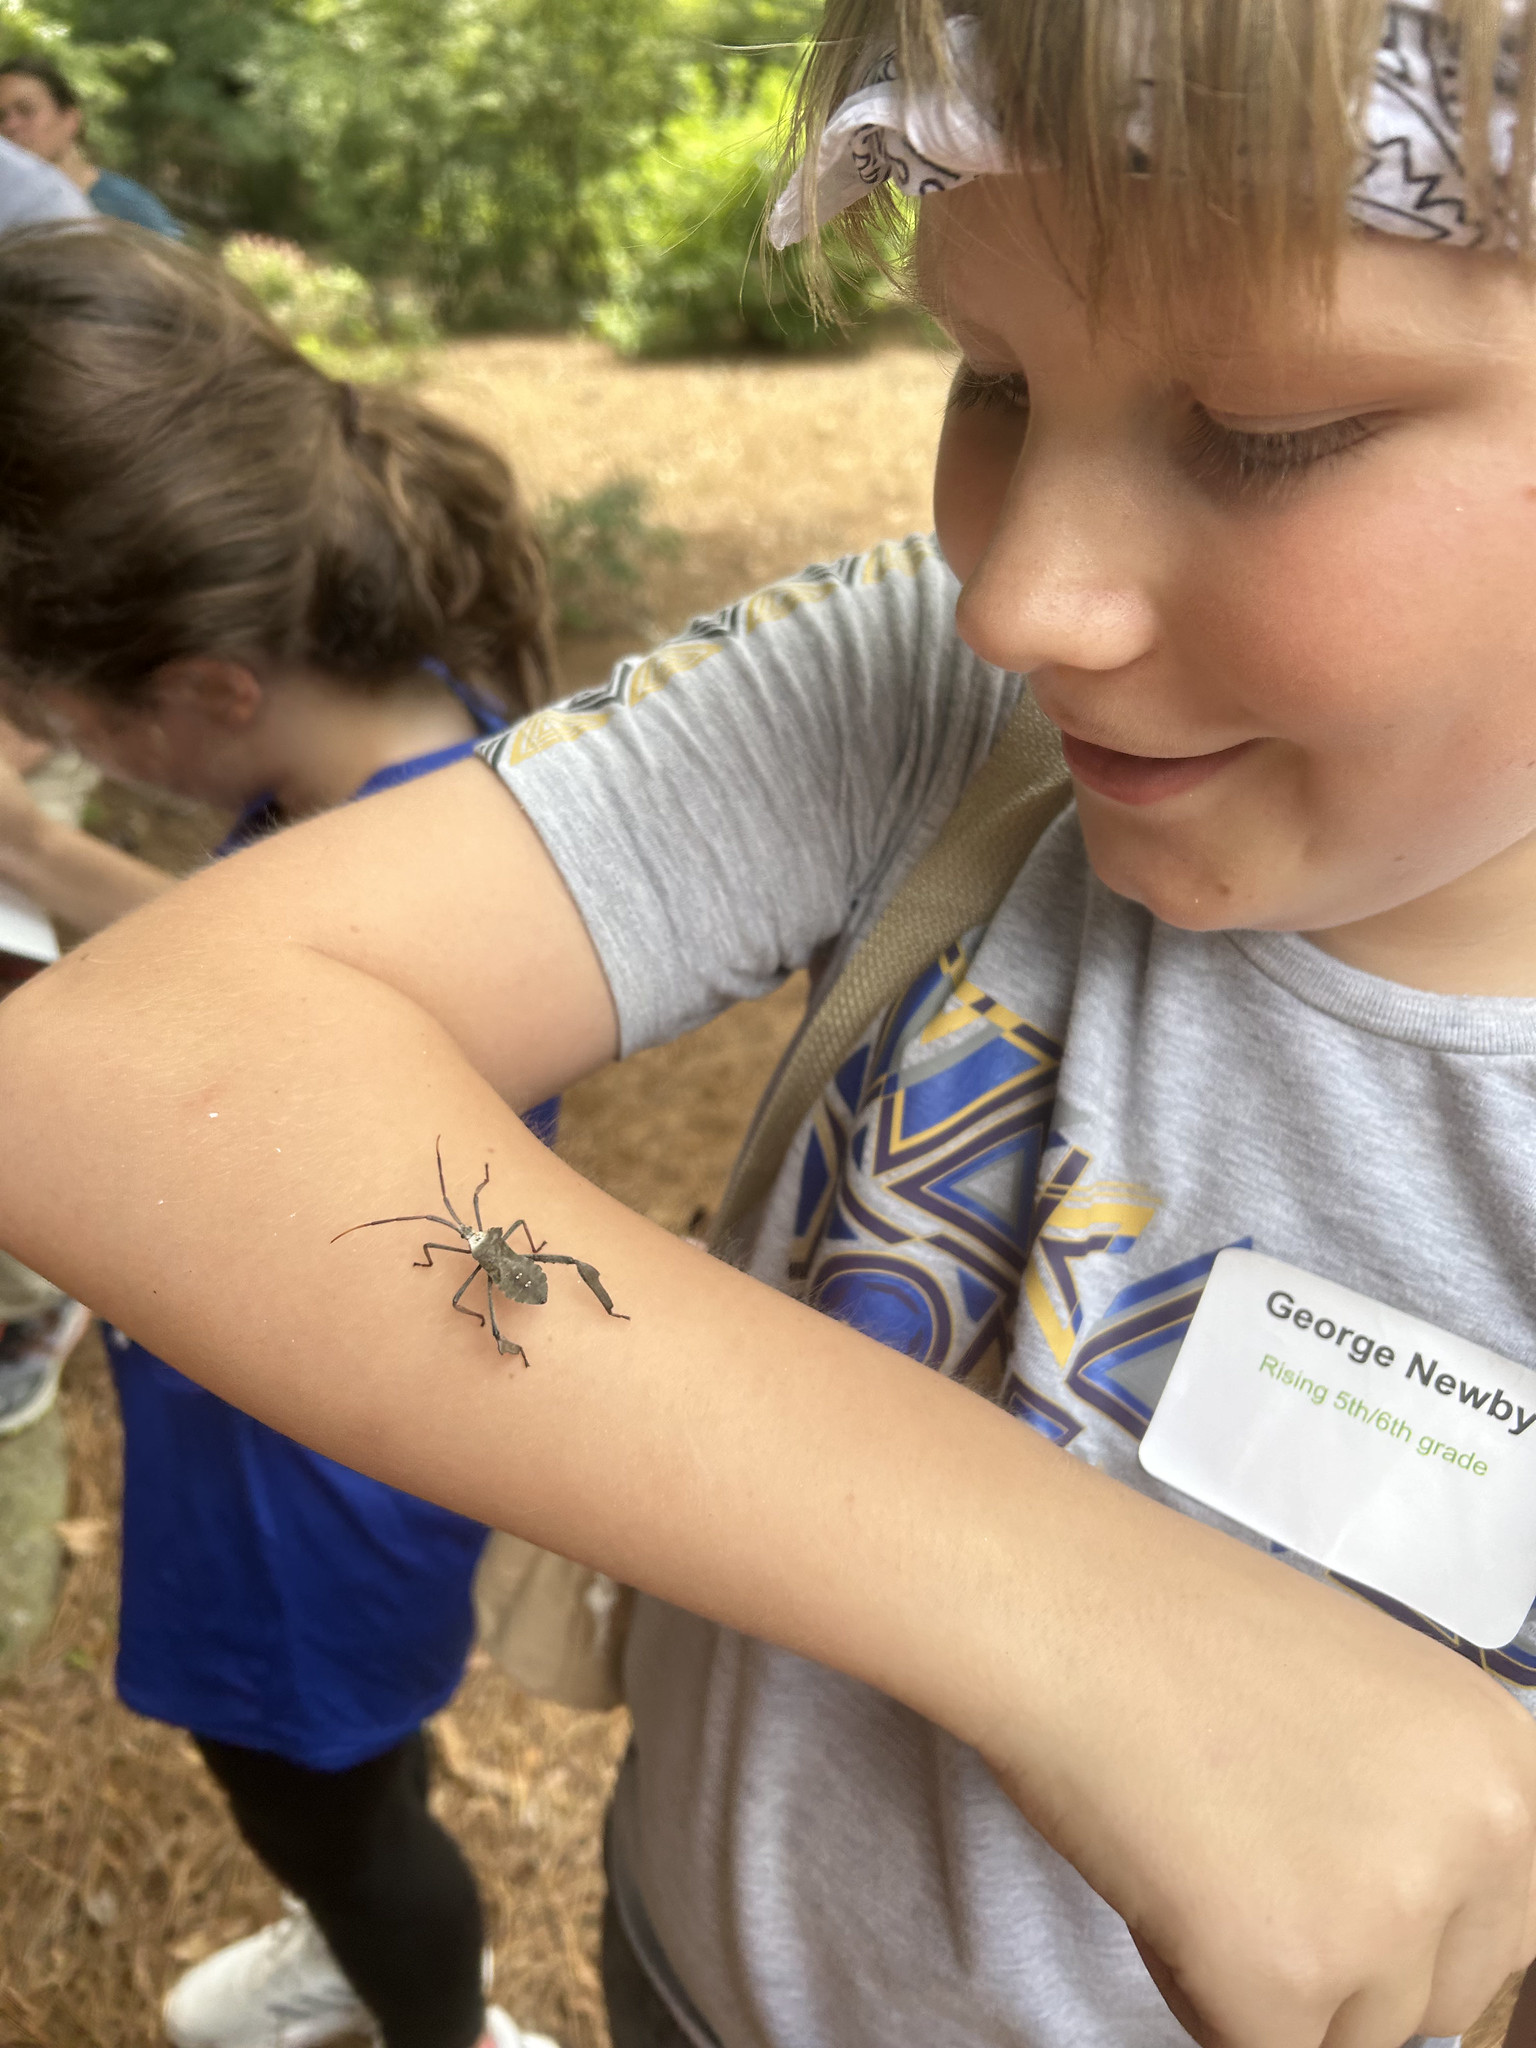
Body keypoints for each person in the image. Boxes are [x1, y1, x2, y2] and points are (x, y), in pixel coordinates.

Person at [2, 4, 1536, 2048]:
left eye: (1269, 426)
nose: (1020, 600)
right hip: (689, 1963)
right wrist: (1071, 1605)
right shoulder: (930, 690)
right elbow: (112, 1074)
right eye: (987, 376)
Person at [0, 223, 558, 2048]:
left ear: (211, 690)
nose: (53, 750)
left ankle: (431, 2013)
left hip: (307, 1472)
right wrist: (30, 848)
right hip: (318, 1421)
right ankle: (373, 1934)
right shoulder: (413, 767)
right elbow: (212, 943)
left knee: (309, 1779)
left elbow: (155, 1069)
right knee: (349, 1771)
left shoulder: (394, 895)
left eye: (57, 721)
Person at [0, 58, 183, 237]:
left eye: (26, 111)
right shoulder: (8, 204)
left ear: (70, 120)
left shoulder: (128, 206)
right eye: (1, 117)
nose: (10, 126)